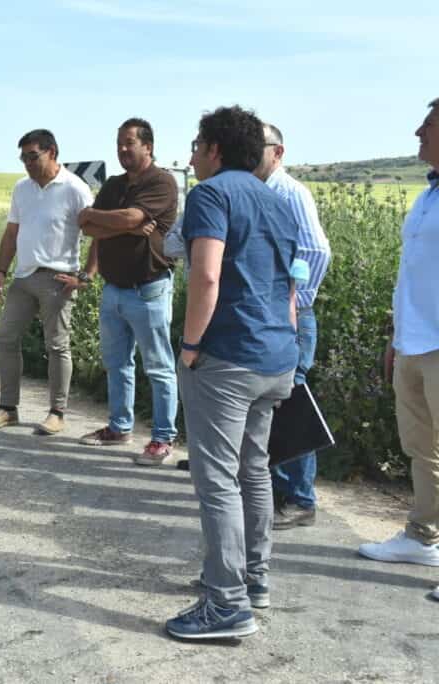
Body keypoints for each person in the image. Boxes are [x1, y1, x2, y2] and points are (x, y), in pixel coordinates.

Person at [167, 106, 301, 640]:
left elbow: (206, 275)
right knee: (254, 471)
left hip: (227, 356)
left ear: (216, 150)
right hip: (275, 356)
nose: (194, 155)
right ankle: (254, 580)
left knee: (217, 479)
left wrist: (191, 345)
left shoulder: (211, 194)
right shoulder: (278, 200)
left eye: (197, 145)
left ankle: (226, 604)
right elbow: (293, 287)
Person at [358, 99, 439, 604]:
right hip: (415, 341)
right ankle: (423, 536)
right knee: (422, 449)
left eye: (428, 125)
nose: (417, 131)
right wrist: (396, 335)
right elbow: (415, 275)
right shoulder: (427, 196)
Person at [76, 118, 180, 466]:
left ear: (148, 146)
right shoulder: (115, 184)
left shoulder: (161, 182)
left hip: (148, 288)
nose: (122, 149)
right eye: (119, 143)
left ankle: (163, 439)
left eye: (129, 143)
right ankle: (120, 428)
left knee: (158, 367)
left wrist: (108, 219)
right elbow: (89, 224)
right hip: (114, 289)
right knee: (117, 363)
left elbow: (126, 218)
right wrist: (118, 222)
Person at [0, 129, 95, 435]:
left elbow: (98, 233)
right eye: (23, 158)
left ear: (52, 153)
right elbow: (11, 233)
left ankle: (57, 412)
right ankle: (8, 408)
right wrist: (1, 270)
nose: (27, 164)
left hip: (58, 279)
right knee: (6, 337)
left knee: (57, 346)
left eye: (33, 156)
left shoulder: (75, 188)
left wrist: (85, 276)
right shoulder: (22, 189)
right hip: (23, 276)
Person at [253, 123, 332, 530]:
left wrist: (294, 302)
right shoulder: (259, 190)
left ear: (277, 151)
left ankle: (301, 499)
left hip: (290, 318)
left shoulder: (289, 192)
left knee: (290, 403)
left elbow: (317, 250)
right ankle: (280, 491)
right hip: (272, 316)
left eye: (258, 145)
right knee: (274, 401)